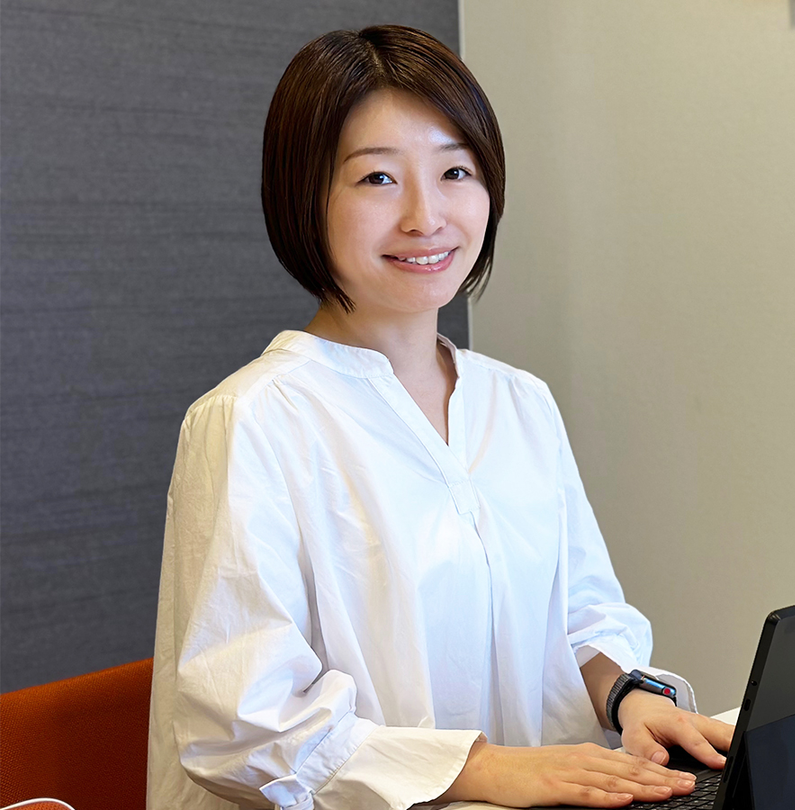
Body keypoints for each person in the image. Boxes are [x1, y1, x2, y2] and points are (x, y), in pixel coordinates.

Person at [145, 25, 733, 810]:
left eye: (455, 171)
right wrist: (488, 769)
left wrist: (632, 698)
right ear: (303, 196)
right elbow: (243, 728)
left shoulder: (518, 401)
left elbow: (582, 616)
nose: (426, 216)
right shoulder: (251, 420)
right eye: (378, 179)